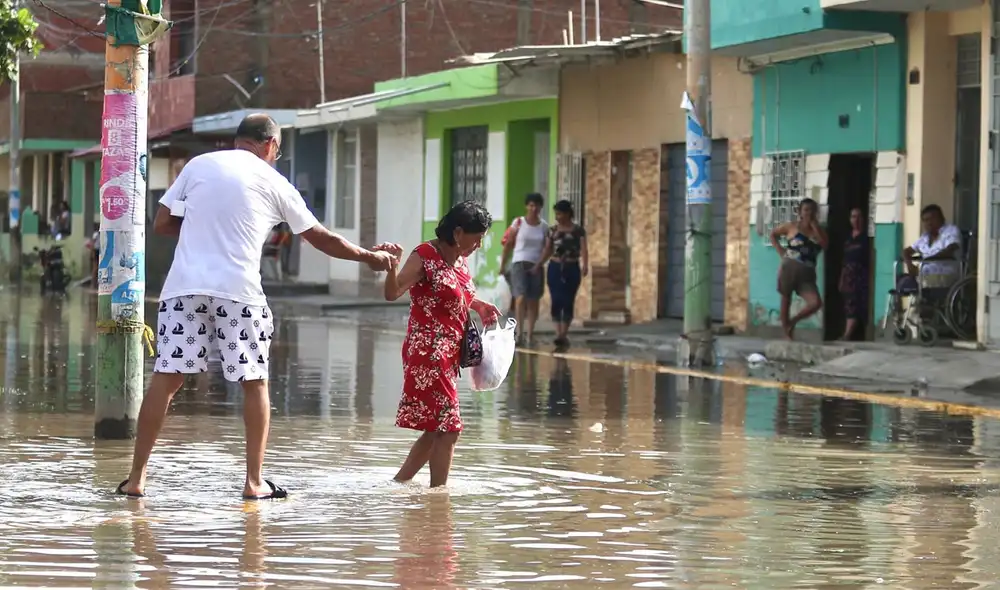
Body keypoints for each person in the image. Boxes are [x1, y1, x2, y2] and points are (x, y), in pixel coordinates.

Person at [116, 113, 398, 500]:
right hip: (239, 294)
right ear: (270, 145)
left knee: (166, 380)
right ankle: (253, 482)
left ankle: (136, 479)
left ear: (239, 139)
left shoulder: (198, 165)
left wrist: (204, 227)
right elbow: (321, 238)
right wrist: (369, 257)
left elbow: (162, 222)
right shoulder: (274, 181)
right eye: (276, 151)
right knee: (254, 382)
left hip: (184, 290)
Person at [382, 201, 502, 488]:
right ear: (458, 232)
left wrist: (479, 305)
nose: (479, 245)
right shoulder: (425, 255)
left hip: (449, 354)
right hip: (427, 353)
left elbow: (454, 294)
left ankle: (399, 484)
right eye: (476, 238)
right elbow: (393, 292)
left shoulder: (459, 259)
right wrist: (392, 266)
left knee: (436, 428)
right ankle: (439, 496)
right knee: (449, 428)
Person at [891, 204, 962, 320]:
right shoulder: (925, 237)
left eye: (932, 219)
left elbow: (951, 249)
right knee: (901, 279)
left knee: (913, 281)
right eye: (925, 220)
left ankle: (922, 311)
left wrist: (927, 260)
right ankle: (903, 311)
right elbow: (906, 251)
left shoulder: (951, 231)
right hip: (924, 274)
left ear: (941, 218)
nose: (928, 223)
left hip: (946, 273)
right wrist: (909, 264)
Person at [770, 198, 827, 340]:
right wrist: (780, 251)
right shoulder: (792, 226)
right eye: (806, 210)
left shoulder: (819, 231)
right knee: (786, 299)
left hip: (808, 273)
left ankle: (793, 321)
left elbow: (825, 245)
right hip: (789, 267)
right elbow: (773, 234)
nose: (809, 213)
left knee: (815, 303)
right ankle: (787, 334)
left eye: (812, 210)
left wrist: (815, 227)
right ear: (800, 212)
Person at [534, 200, 588, 346]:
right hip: (555, 267)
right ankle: (559, 333)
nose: (558, 217)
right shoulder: (552, 231)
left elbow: (584, 248)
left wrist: (585, 264)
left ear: (568, 213)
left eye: (560, 213)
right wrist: (538, 264)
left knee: (568, 300)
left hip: (572, 267)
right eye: (556, 214)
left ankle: (564, 333)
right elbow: (547, 249)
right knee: (556, 299)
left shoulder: (578, 231)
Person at [500, 193, 548, 344]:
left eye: (537, 205)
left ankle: (530, 334)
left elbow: (547, 247)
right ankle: (520, 333)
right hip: (519, 263)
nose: (534, 209)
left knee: (533, 300)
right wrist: (502, 264)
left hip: (536, 265)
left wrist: (540, 263)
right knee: (520, 297)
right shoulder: (519, 222)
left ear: (541, 207)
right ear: (527, 206)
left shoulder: (544, 226)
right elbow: (509, 244)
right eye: (531, 205)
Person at [838, 207, 869, 341]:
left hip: (861, 275)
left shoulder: (866, 237)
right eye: (853, 216)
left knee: (860, 305)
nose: (856, 220)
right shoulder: (848, 238)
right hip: (848, 276)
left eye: (859, 216)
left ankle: (850, 334)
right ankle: (847, 334)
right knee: (849, 304)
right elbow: (844, 260)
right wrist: (842, 278)